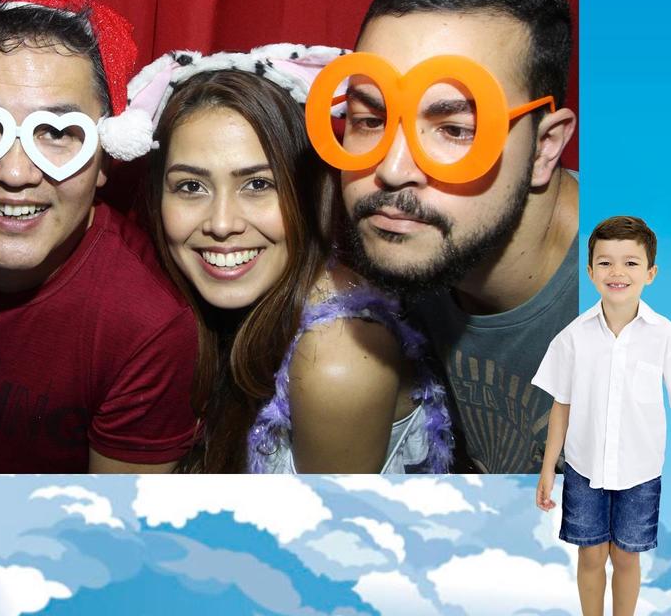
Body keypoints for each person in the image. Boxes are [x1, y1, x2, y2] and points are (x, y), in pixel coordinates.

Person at [0, 0, 197, 473]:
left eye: (55, 133)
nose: (15, 173)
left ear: (104, 158)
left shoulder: (148, 325)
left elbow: (116, 516)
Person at [131, 46, 452, 473]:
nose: (222, 223)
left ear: (311, 193)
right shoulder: (195, 313)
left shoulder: (335, 361)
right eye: (191, 186)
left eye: (258, 184)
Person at [315, 0, 579, 472]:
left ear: (545, 148)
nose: (391, 170)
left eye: (455, 130)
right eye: (369, 119)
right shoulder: (412, 244)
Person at [533, 216, 671, 616]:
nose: (617, 272)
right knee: (591, 554)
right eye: (606, 262)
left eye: (631, 263)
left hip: (640, 471)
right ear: (590, 271)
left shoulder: (664, 334)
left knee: (627, 556)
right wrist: (548, 469)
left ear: (650, 273)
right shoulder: (573, 337)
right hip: (583, 469)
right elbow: (561, 405)